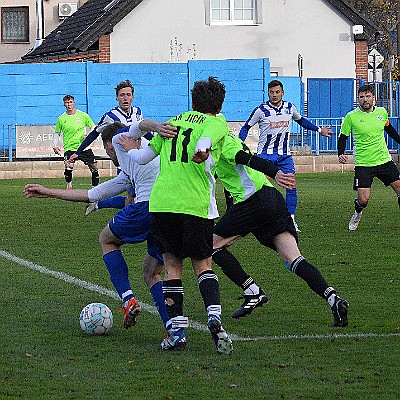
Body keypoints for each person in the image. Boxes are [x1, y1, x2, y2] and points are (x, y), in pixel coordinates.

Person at [24, 122, 173, 339]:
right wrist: (48, 192)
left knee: (106, 239)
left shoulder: (119, 142)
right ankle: (172, 328)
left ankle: (128, 299)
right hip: (168, 213)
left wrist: (159, 127)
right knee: (152, 271)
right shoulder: (134, 166)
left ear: (110, 146)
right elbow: (92, 194)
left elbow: (138, 126)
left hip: (147, 208)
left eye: (106, 149)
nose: (108, 153)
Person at [120, 77, 233, 354]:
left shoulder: (173, 121)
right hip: (195, 204)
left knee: (171, 267)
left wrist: (131, 149)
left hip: (162, 204)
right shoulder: (216, 122)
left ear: (193, 100)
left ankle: (176, 334)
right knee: (203, 264)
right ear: (218, 104)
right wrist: (201, 150)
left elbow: (143, 158)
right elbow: (205, 140)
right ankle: (214, 318)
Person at [211, 131, 349, 327]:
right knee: (294, 259)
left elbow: (248, 160)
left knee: (210, 245)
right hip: (271, 198)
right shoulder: (231, 137)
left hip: (253, 201)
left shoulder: (221, 141)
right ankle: (333, 299)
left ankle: (252, 291)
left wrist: (275, 173)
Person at [239, 79, 333, 232]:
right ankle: (248, 216)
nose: (274, 95)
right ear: (268, 93)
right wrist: (238, 145)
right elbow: (246, 127)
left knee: (291, 185)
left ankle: (291, 220)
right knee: (257, 187)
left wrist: (319, 130)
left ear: (282, 93)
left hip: (284, 156)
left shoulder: (289, 107)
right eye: (271, 92)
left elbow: (301, 120)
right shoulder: (261, 110)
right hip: (265, 156)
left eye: (277, 92)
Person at [338, 84, 400, 230]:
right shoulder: (351, 117)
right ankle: (357, 211)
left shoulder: (382, 112)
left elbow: (389, 129)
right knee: (364, 200)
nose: (365, 99)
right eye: (361, 97)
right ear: (358, 99)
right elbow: (343, 137)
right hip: (363, 164)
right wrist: (340, 153)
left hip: (384, 160)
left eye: (367, 96)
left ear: (374, 98)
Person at [53, 94, 99, 189]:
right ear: (64, 104)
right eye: (67, 102)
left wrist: (89, 135)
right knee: (69, 166)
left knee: (94, 167)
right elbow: (57, 133)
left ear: (74, 103)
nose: (69, 104)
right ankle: (69, 185)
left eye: (70, 102)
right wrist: (55, 145)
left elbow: (93, 126)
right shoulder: (61, 119)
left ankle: (96, 190)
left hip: (84, 147)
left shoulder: (83, 115)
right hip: (70, 147)